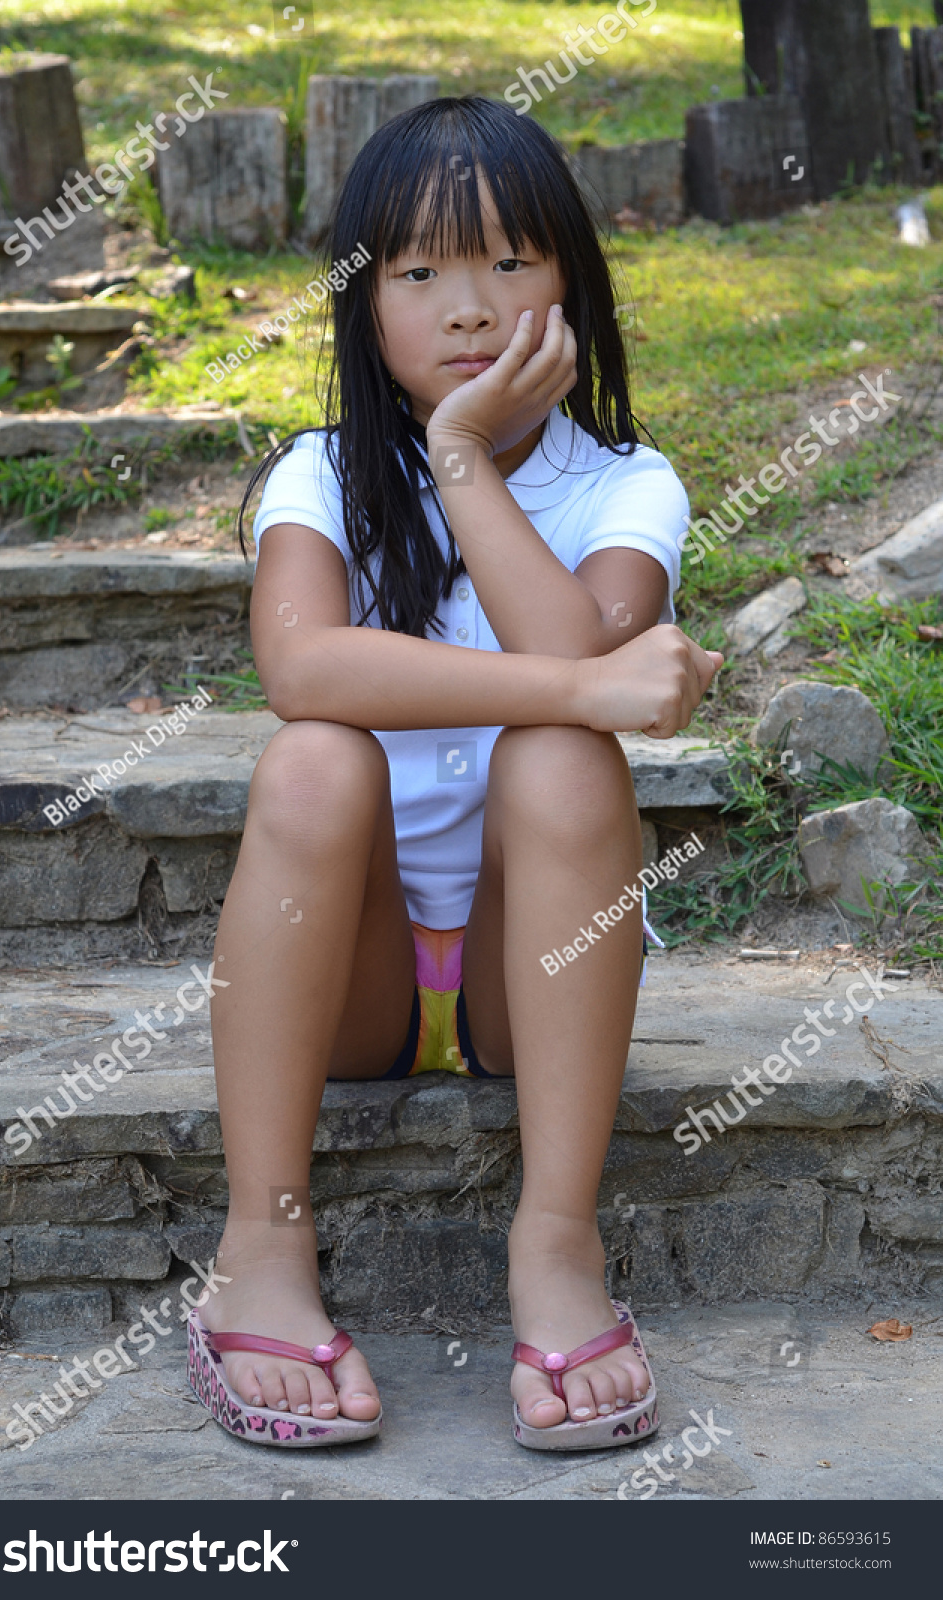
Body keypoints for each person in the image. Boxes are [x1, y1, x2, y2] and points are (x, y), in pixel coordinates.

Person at [188, 94, 723, 1451]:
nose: (468, 306)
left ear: (574, 286)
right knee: (313, 761)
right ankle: (260, 1244)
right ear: (363, 309)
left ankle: (553, 1241)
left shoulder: (624, 483)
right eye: (419, 273)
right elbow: (304, 672)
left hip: (529, 973)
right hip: (354, 974)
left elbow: (572, 679)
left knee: (559, 759)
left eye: (509, 261)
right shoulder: (317, 476)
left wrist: (463, 459)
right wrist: (590, 682)